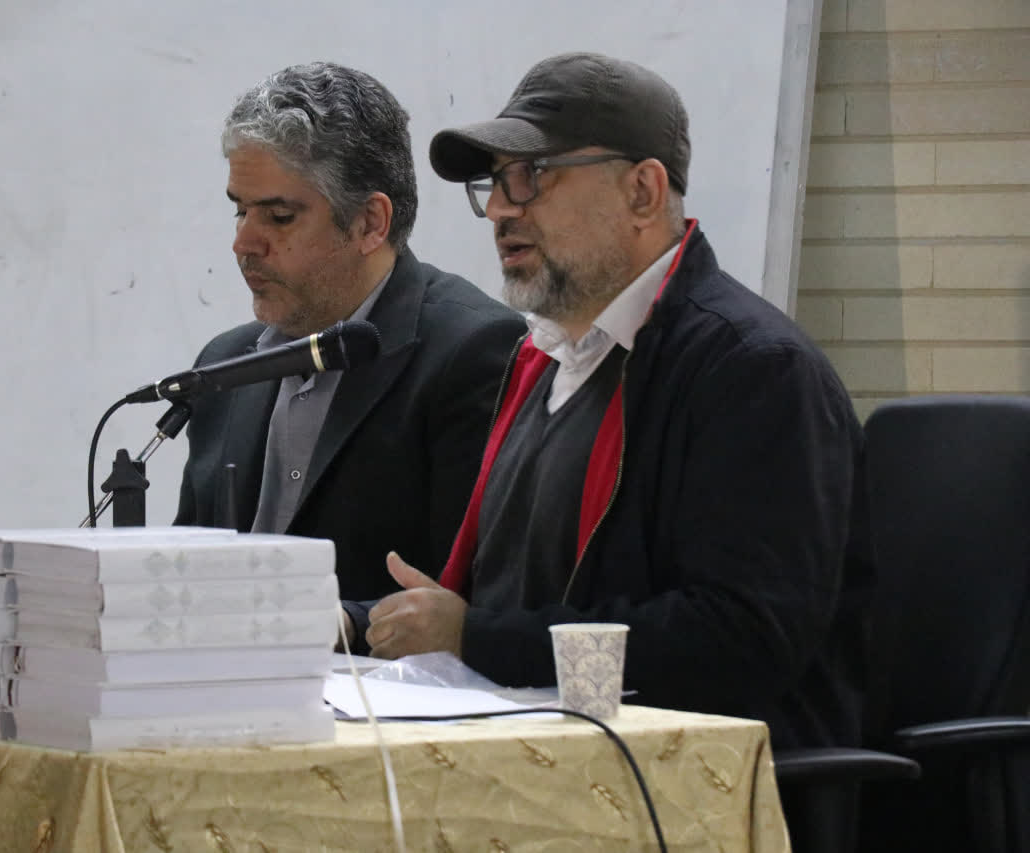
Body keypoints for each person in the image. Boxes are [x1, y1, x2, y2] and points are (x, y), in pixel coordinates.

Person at [345, 52, 869, 750]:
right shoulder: (544, 360)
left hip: (694, 777)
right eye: (495, 182)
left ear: (642, 192)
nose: (499, 208)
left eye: (531, 176)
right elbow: (505, 601)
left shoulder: (753, 370)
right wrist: (355, 622)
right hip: (536, 747)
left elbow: (740, 642)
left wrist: (476, 637)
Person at [175, 62, 526, 602]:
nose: (243, 243)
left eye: (279, 217)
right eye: (240, 211)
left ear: (369, 223)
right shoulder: (224, 365)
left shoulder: (475, 353)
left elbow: (470, 600)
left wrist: (325, 625)